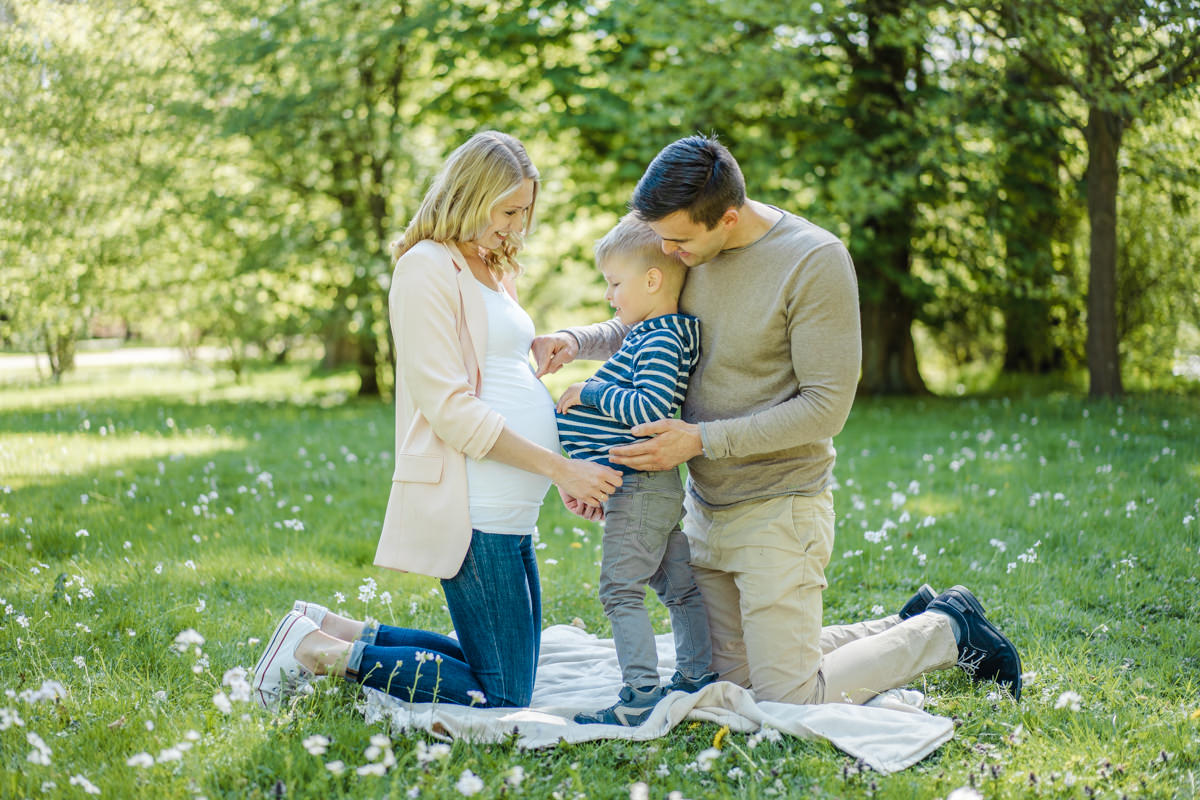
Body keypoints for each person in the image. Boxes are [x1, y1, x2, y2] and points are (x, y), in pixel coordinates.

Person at [533, 134, 1022, 705]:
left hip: (780, 506)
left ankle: (947, 630)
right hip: (706, 509)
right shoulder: (689, 245)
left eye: (678, 241)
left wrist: (700, 440)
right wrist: (575, 340)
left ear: (729, 217)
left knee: (789, 699)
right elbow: (647, 322)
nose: (667, 252)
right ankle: (904, 623)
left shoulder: (813, 261)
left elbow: (826, 407)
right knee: (732, 682)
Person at [251, 131, 622, 711]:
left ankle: (333, 630)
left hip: (512, 502)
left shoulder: (493, 266)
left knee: (501, 667)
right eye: (508, 211)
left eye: (525, 211)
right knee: (502, 693)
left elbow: (493, 372)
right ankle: (317, 654)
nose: (517, 226)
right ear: (471, 195)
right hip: (474, 500)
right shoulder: (424, 267)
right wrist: (559, 469)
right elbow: (448, 408)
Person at [554, 216, 715, 726]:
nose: (609, 296)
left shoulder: (661, 337)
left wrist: (589, 392)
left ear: (652, 281)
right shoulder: (650, 332)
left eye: (615, 283)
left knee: (619, 590)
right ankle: (695, 675)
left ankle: (640, 697)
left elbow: (649, 409)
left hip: (641, 486)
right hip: (646, 487)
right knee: (677, 586)